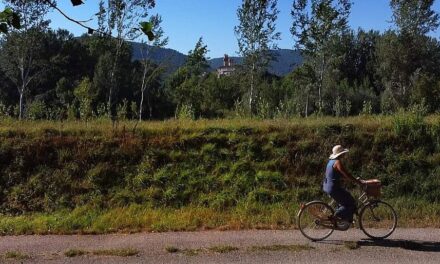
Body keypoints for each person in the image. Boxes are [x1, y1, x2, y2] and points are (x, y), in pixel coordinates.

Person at [323, 145, 364, 230]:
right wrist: (357, 182)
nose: (344, 155)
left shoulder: (330, 161)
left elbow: (338, 174)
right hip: (333, 188)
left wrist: (350, 180)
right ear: (340, 154)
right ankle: (335, 216)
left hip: (327, 186)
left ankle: (345, 220)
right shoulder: (337, 162)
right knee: (351, 203)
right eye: (343, 153)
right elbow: (346, 174)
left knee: (346, 200)